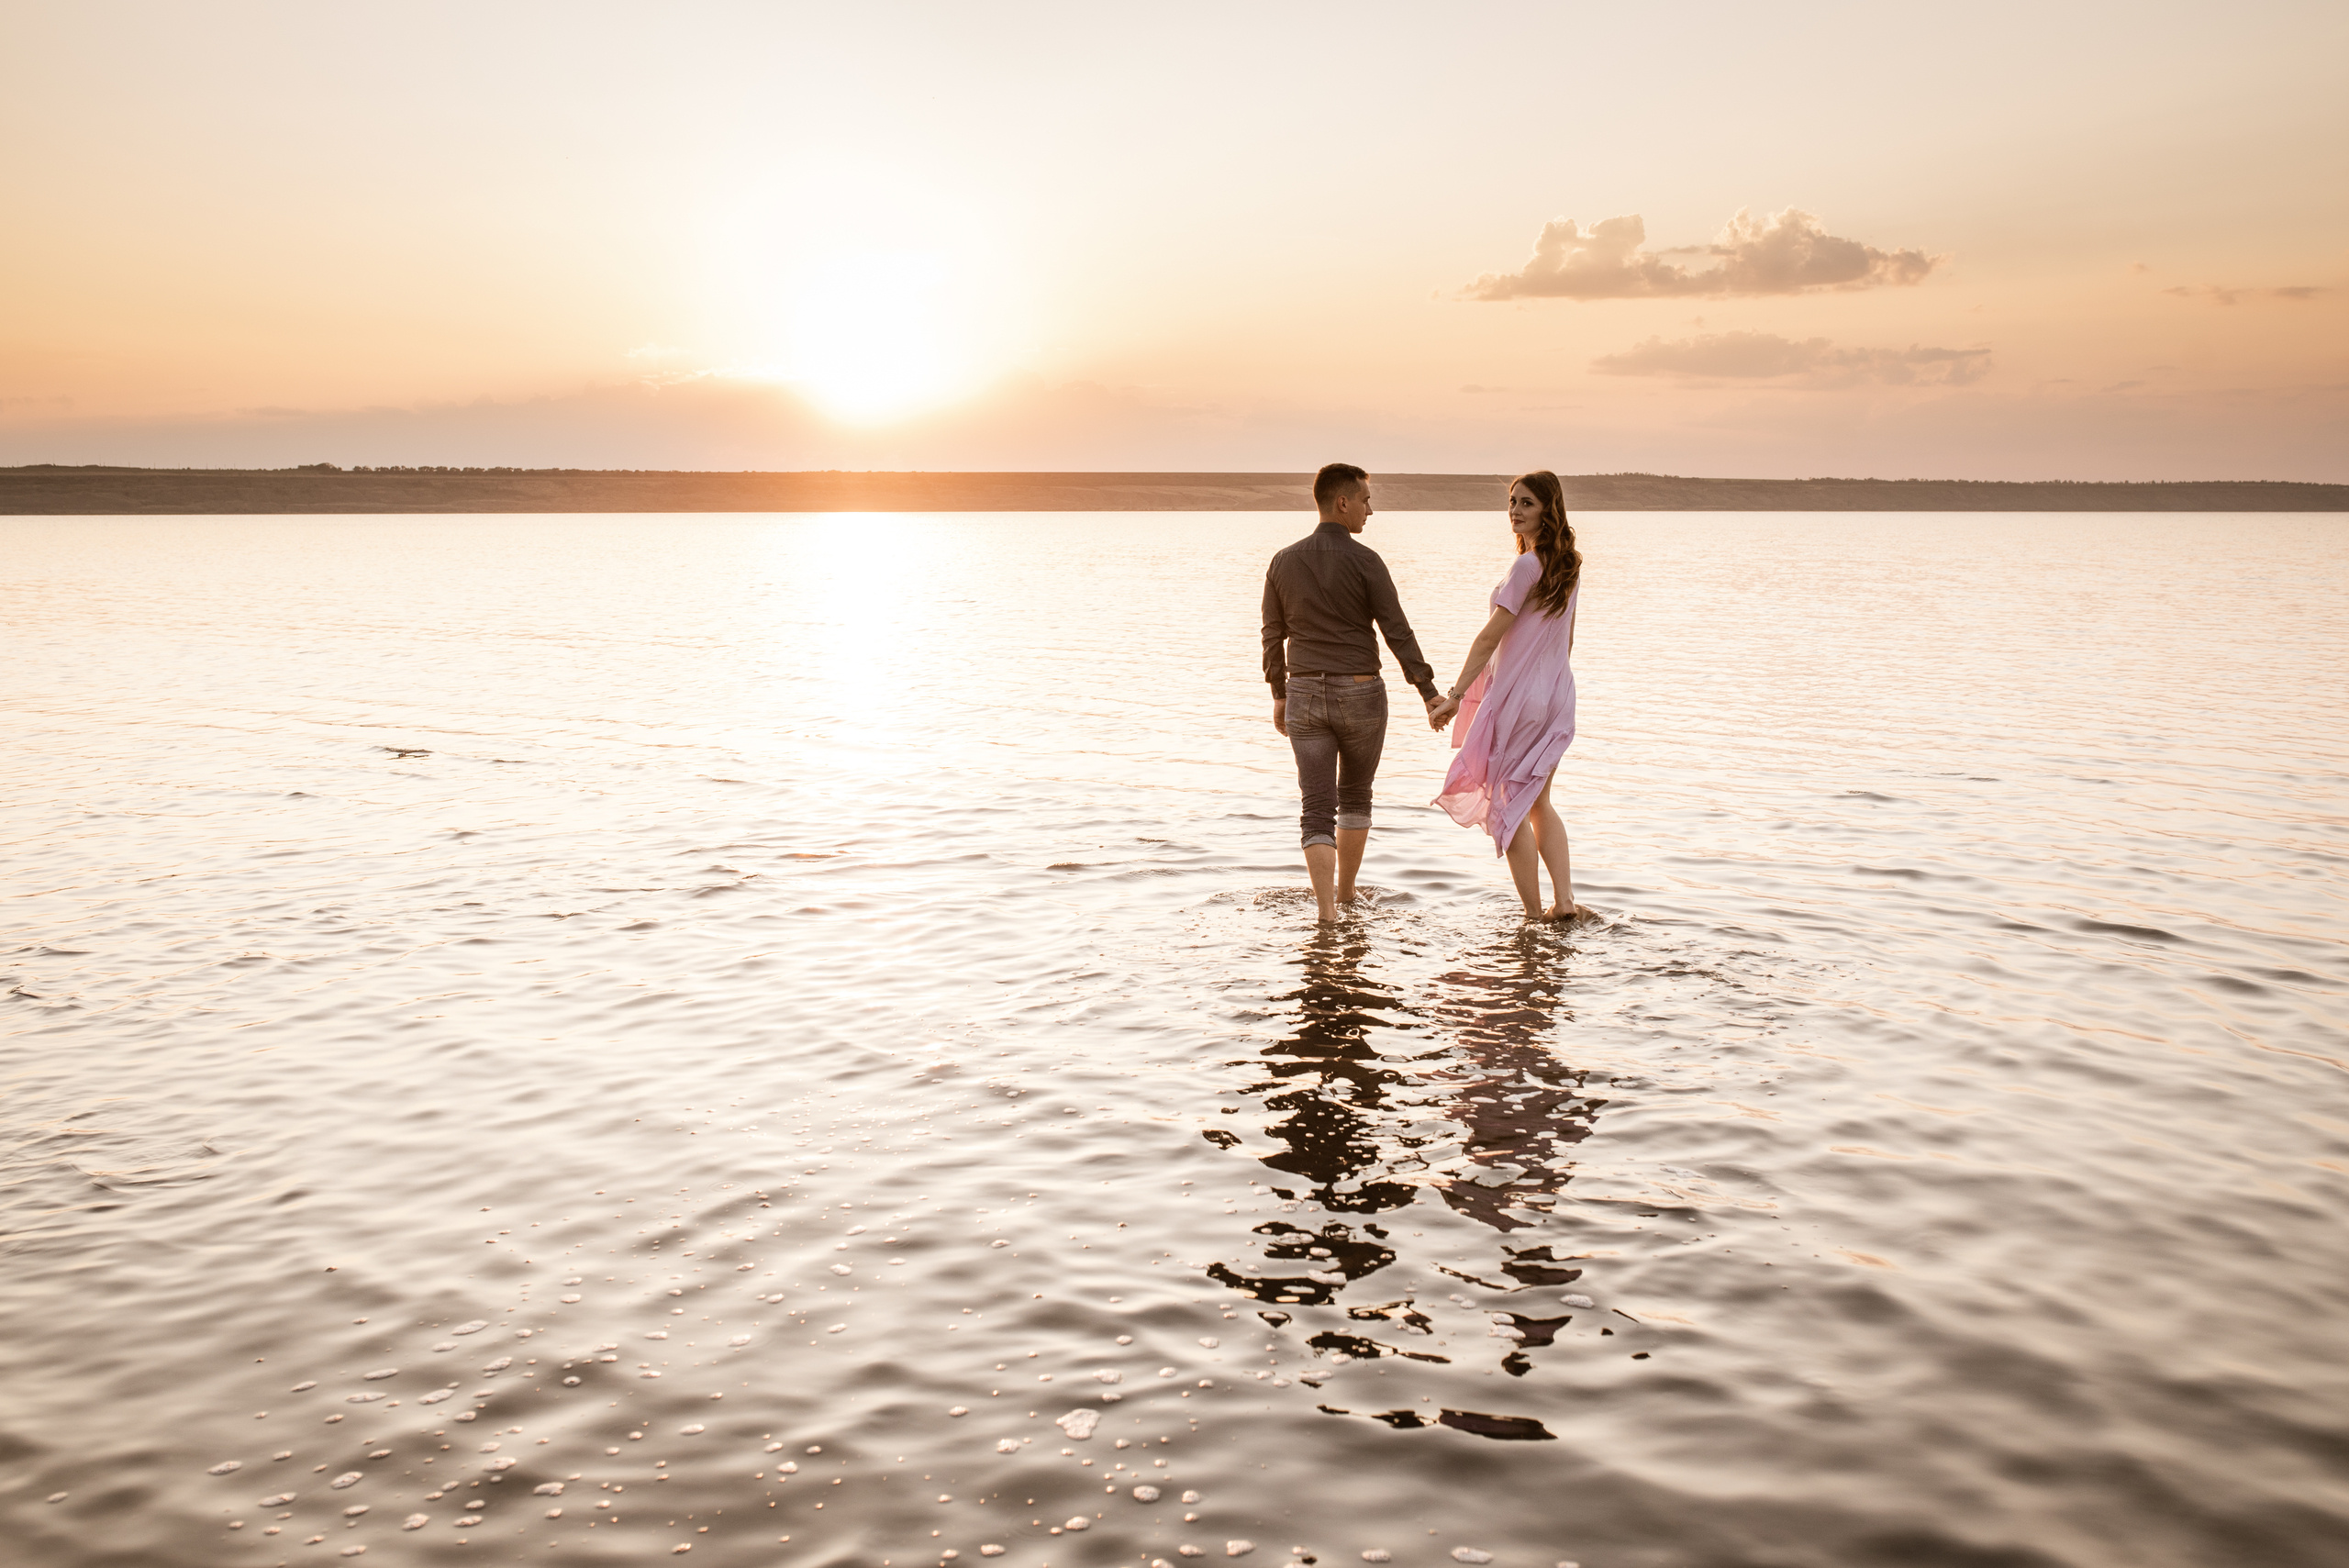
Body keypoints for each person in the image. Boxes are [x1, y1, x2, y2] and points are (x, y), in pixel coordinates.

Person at [1262, 463, 1450, 923]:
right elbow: (1396, 630)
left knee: (1316, 808)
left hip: (1304, 692)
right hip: (1361, 693)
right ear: (1342, 502)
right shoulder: (1366, 560)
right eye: (1365, 500)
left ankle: (1326, 913)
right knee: (1356, 796)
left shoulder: (1283, 561)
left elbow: (1272, 635)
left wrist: (1279, 693)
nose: (1371, 509)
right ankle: (1347, 896)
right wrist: (1427, 692)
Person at [1430, 471, 1596, 922]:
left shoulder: (1527, 566)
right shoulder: (1567, 565)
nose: (1515, 511)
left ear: (1548, 510)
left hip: (1522, 699)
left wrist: (1455, 695)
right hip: (1557, 694)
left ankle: (1533, 916)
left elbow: (1489, 637)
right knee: (1539, 802)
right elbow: (1567, 640)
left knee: (1510, 807)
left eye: (1526, 503)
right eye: (1512, 502)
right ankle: (1564, 902)